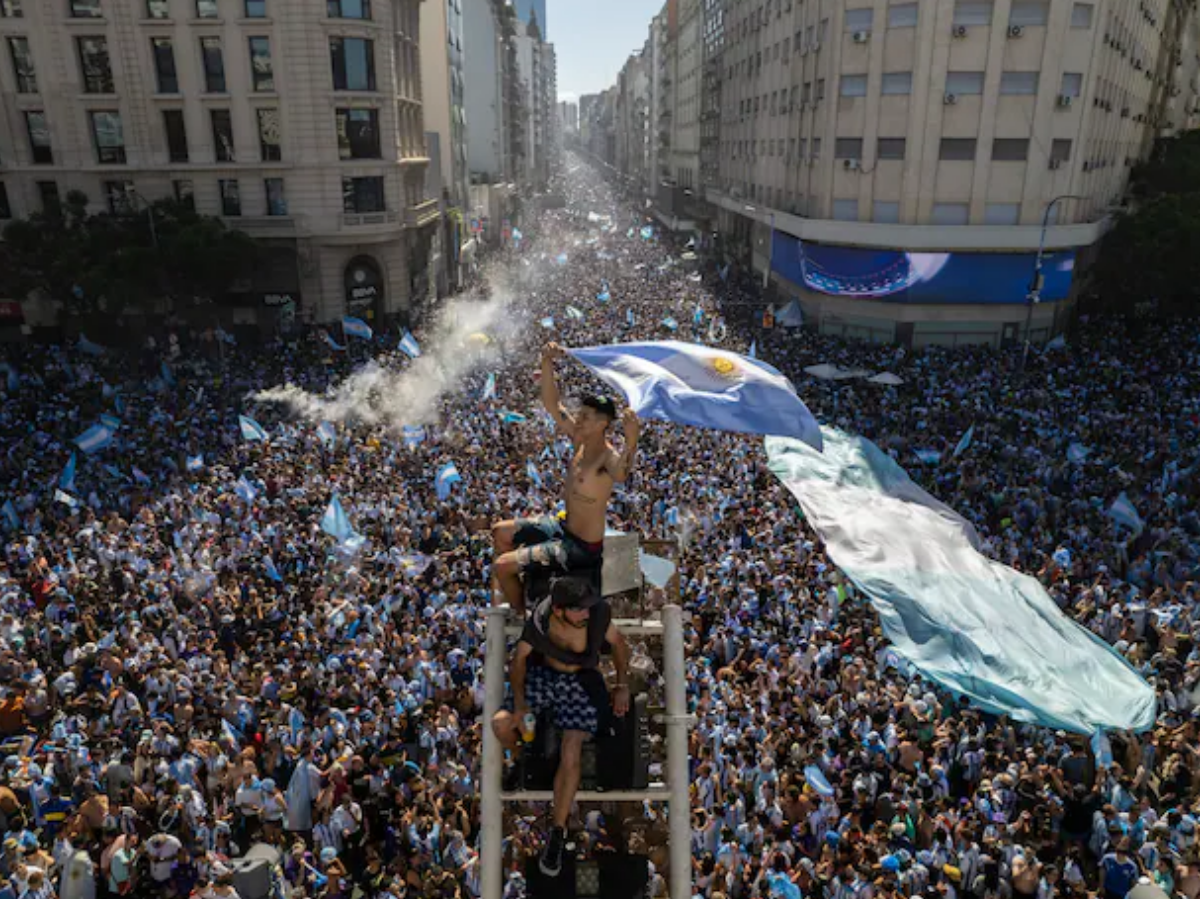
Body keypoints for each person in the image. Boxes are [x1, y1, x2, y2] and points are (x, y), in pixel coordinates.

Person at [490, 578, 631, 878]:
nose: (585, 614)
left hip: (581, 681)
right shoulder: (540, 622)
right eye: (579, 610)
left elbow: (619, 644)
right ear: (558, 610)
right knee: (501, 724)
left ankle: (557, 831)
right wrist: (519, 703)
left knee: (572, 747)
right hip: (544, 677)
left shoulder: (599, 616)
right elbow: (519, 661)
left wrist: (622, 684)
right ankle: (519, 757)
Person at [491, 342, 640, 615]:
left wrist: (632, 441)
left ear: (603, 424)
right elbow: (552, 404)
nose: (578, 419)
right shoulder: (579, 440)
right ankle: (522, 591)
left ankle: (521, 615)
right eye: (579, 415)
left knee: (502, 566)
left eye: (586, 417)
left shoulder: (607, 458)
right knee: (500, 531)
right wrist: (546, 362)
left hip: (581, 546)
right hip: (562, 527)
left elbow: (622, 472)